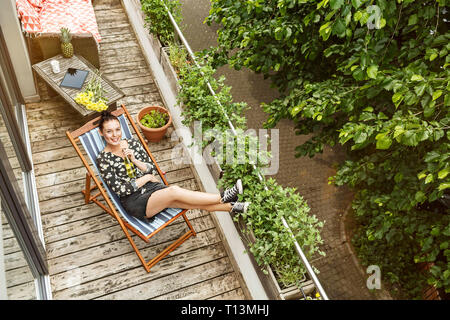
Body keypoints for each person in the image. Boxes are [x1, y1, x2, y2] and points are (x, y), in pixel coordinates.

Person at [96, 111, 250, 221]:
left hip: (152, 189)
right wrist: (147, 178)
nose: (115, 135)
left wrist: (135, 160)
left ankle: (234, 207)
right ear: (101, 133)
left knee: (193, 203)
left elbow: (151, 168)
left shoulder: (132, 144)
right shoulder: (103, 159)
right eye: (109, 131)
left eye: (117, 129)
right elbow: (121, 190)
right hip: (135, 201)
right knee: (174, 191)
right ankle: (222, 196)